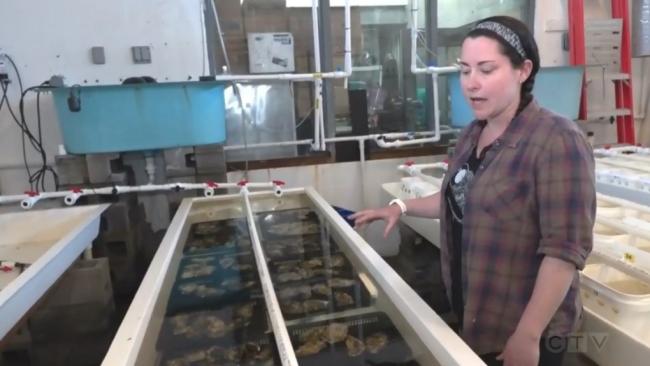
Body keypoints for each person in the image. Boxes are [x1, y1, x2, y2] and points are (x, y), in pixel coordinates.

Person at [351, 15, 595, 366]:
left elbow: (564, 252)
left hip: (526, 332)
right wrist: (400, 207)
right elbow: (460, 200)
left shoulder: (556, 140)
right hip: (478, 315)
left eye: (486, 69)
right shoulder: (473, 134)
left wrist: (527, 336)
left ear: (522, 71)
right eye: (465, 71)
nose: (471, 83)